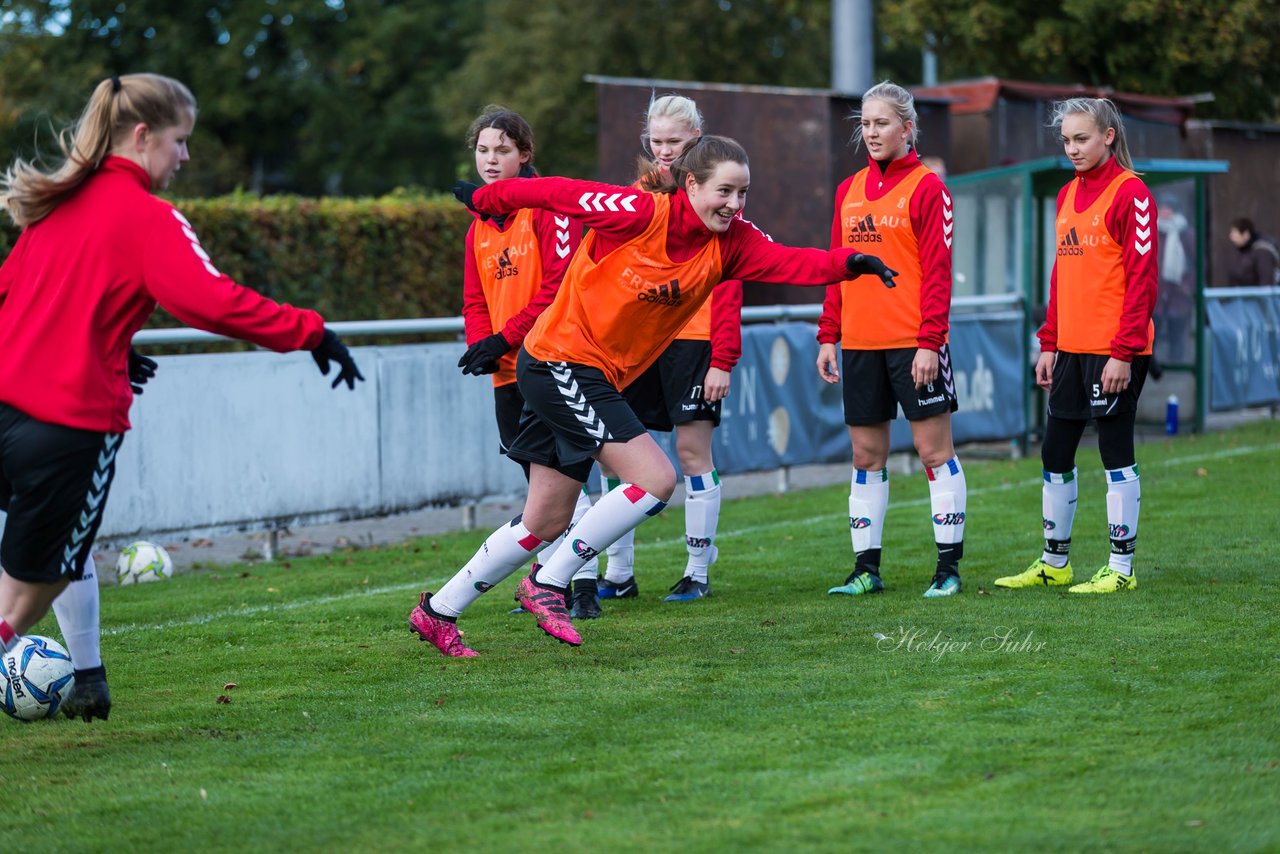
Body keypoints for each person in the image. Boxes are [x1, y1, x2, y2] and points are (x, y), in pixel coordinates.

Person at [406, 135, 897, 656]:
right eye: (723, 191)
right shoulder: (640, 213)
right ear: (691, 185)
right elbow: (554, 192)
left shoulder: (732, 242)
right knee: (656, 479)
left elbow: (792, 263)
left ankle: (438, 612)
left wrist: (851, 264)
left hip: (588, 372)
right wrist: (486, 200)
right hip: (559, 360)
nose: (733, 204)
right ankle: (548, 583)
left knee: (544, 519)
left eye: (743, 193)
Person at [0, 73, 363, 721]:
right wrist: (311, 331)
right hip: (68, 424)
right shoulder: (148, 216)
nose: (184, 157)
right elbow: (211, 301)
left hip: (7, 408)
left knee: (50, 560)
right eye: (179, 141)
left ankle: (88, 677)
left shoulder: (55, 206)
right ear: (142, 137)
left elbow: (17, 296)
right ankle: (64, 667)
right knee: (39, 583)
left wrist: (106, 343)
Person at [994, 97, 1157, 594]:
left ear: (1108, 136)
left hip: (1116, 352)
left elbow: (1142, 281)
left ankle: (1122, 569)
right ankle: (1054, 563)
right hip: (1070, 350)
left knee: (1115, 453)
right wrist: (1049, 342)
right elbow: (1062, 276)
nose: (1072, 148)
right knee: (1055, 453)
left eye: (1081, 138)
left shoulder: (1133, 194)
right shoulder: (1066, 196)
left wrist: (1123, 353)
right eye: (1066, 140)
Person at [816, 81, 966, 599]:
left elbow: (940, 273)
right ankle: (866, 570)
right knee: (865, 456)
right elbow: (837, 269)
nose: (872, 132)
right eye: (865, 123)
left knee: (932, 452)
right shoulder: (848, 190)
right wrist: (828, 335)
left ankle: (947, 569)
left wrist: (930, 342)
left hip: (913, 343)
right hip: (860, 344)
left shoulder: (928, 187)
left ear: (908, 127)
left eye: (882, 123)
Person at [453, 106, 600, 619]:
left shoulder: (548, 210)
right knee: (539, 484)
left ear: (525, 155)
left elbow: (558, 286)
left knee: (566, 477)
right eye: (483, 150)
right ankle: (549, 583)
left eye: (502, 150)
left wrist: (505, 337)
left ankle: (581, 587)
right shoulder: (478, 228)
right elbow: (475, 299)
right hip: (508, 370)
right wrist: (484, 345)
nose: (491, 161)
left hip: (553, 361)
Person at [596, 94, 743, 605]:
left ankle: (697, 572)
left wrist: (723, 357)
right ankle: (618, 574)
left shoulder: (716, 193)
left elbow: (729, 278)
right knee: (617, 459)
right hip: (640, 343)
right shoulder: (636, 193)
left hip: (695, 341)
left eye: (674, 142)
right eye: (656, 141)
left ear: (695, 140)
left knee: (691, 453)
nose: (664, 151)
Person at [1154, 194, 1194, 364]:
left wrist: (1187, 286)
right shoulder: (1150, 230)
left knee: (1176, 332)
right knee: (1151, 333)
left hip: (1178, 294)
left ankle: (1176, 368)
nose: (1164, 212)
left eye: (1168, 208)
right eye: (1161, 208)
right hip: (1156, 293)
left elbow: (1196, 262)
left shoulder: (1186, 233)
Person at [1226, 217, 1279, 286]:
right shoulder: (1242, 251)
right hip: (1241, 295)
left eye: (1235, 233)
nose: (1231, 237)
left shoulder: (1262, 252)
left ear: (1245, 234)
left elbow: (1266, 282)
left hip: (1256, 295)